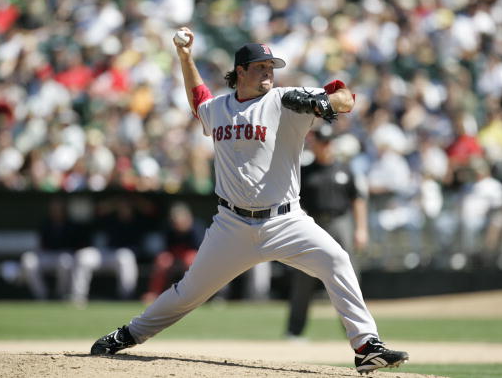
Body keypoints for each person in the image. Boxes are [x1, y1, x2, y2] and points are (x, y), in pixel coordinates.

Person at [90, 27, 409, 374]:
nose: (269, 72)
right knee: (187, 294)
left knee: (336, 259)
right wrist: (185, 58)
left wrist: (323, 101)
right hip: (231, 226)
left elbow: (346, 98)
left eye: (272, 67)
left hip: (285, 220)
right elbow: (199, 100)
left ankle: (365, 345)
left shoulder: (285, 99)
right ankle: (128, 335)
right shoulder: (220, 109)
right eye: (261, 66)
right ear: (240, 71)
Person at [286, 123, 369, 339]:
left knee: (349, 277)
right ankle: (294, 331)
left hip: (341, 223)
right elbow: (294, 200)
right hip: (313, 223)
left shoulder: (344, 169)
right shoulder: (305, 171)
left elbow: (357, 199)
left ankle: (356, 334)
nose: (324, 146)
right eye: (320, 142)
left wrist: (361, 229)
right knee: (304, 275)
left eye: (327, 142)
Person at [141, 202, 204, 304]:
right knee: (162, 260)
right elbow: (164, 249)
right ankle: (154, 293)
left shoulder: (196, 228)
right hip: (174, 255)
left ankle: (194, 295)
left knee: (190, 259)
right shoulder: (168, 227)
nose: (178, 223)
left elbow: (200, 251)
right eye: (175, 221)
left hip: (190, 256)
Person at [20, 198, 82, 300]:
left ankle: (60, 294)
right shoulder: (45, 224)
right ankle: (41, 295)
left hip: (65, 255)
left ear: (64, 210)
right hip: (47, 255)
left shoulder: (71, 225)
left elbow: (75, 245)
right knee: (28, 260)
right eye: (53, 210)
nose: (56, 212)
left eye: (59, 209)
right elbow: (41, 244)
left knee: (65, 261)